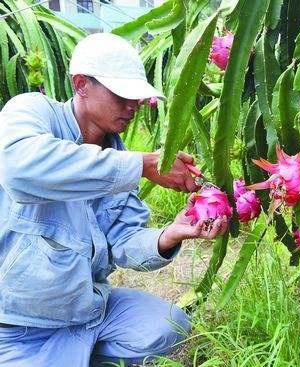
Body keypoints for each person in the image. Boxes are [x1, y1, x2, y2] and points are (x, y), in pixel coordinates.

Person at [0, 33, 228, 366]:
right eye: (121, 94)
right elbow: (19, 169)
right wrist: (142, 165)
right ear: (81, 84)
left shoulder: (117, 155)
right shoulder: (33, 112)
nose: (132, 106)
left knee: (169, 326)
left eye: (136, 97)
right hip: (19, 321)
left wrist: (171, 235)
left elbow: (124, 242)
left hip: (86, 309)